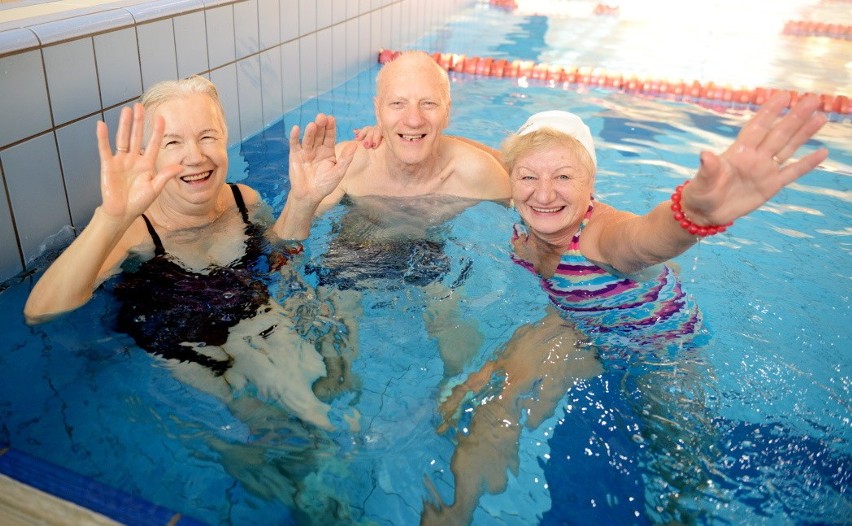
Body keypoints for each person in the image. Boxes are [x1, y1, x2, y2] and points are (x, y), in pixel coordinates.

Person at [422, 91, 829, 524]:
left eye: (563, 176)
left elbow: (644, 238)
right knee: (497, 394)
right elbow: (491, 159)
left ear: (590, 183)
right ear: (511, 182)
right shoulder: (530, 212)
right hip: (583, 324)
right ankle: (455, 510)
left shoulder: (601, 235)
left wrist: (694, 213)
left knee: (680, 463)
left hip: (663, 350)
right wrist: (415, 139)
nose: (544, 194)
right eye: (527, 178)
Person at [23, 75, 360, 432]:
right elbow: (40, 312)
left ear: (225, 138)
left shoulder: (242, 201)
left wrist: (303, 202)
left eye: (207, 137)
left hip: (252, 319)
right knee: (266, 422)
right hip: (180, 347)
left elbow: (276, 254)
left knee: (326, 393)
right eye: (172, 142)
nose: (195, 157)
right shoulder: (135, 231)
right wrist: (109, 220)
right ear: (148, 156)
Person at [280, 50, 512, 379]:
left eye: (428, 104)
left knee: (449, 318)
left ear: (447, 111)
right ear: (378, 110)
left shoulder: (476, 173)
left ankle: (459, 391)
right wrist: (301, 200)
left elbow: (538, 214)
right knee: (334, 331)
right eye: (398, 104)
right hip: (354, 249)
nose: (413, 120)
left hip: (429, 250)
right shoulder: (349, 163)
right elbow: (280, 245)